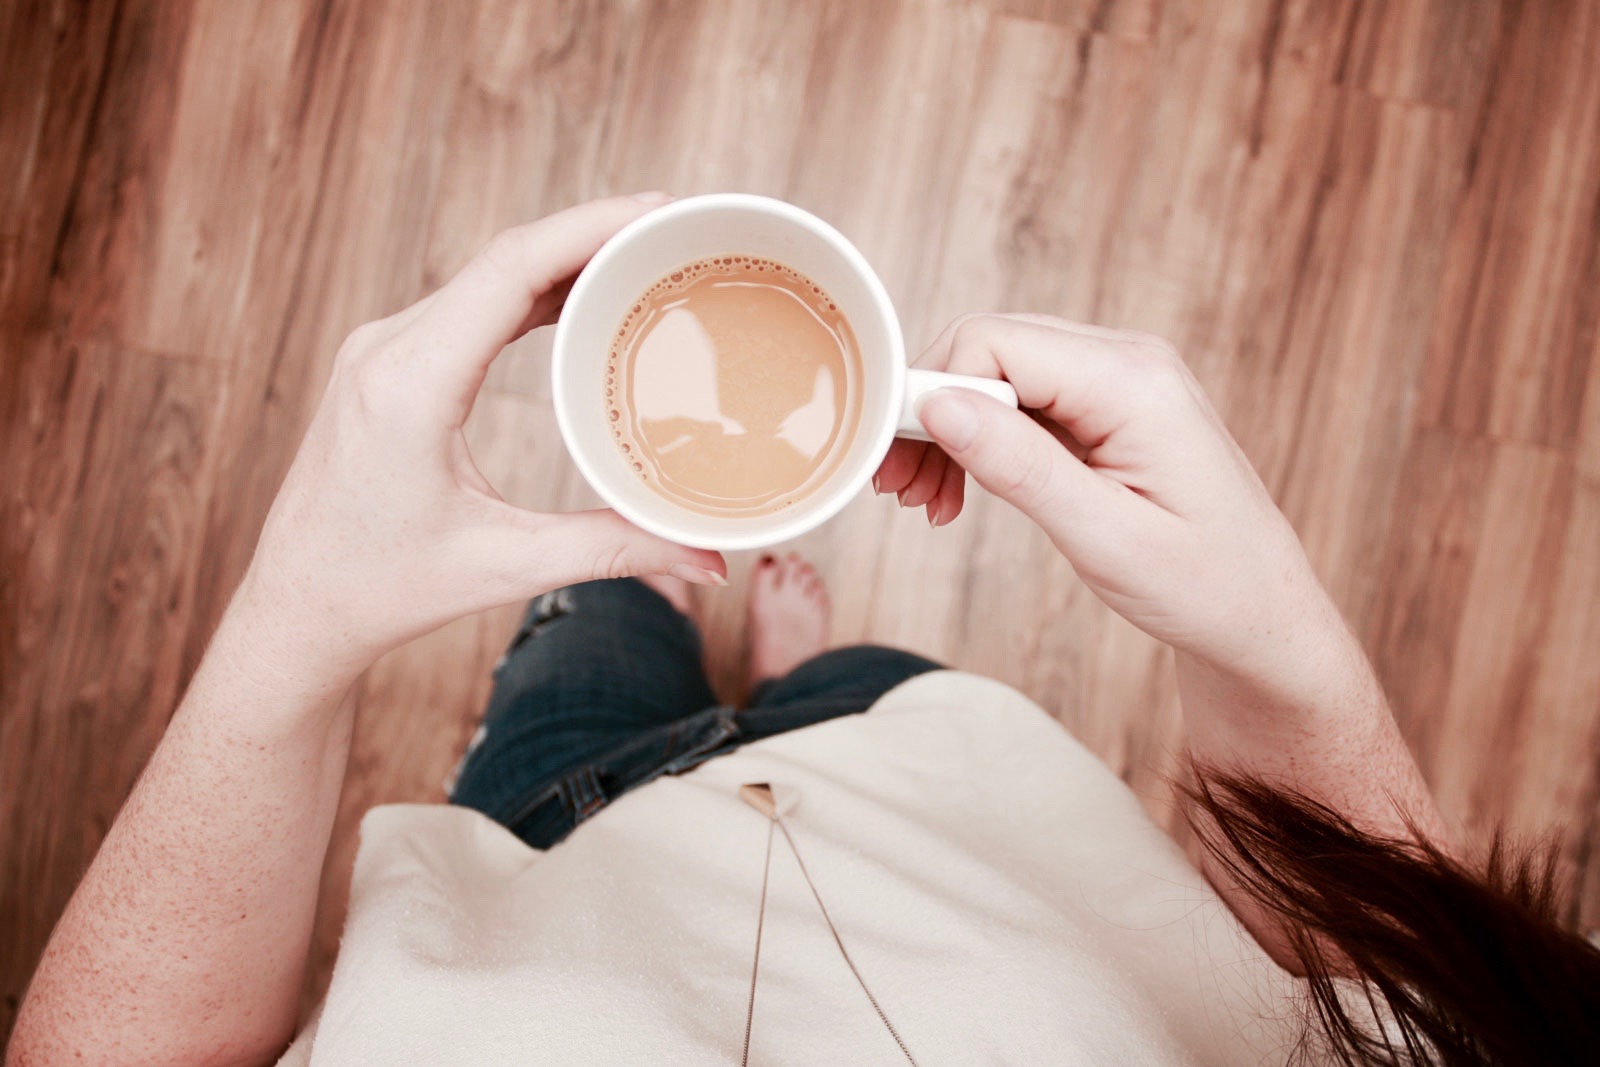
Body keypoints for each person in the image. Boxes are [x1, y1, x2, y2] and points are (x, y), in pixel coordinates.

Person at [8, 196, 1597, 1067]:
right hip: (930, 765)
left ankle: (632, 589)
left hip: (559, 829)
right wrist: (1282, 653)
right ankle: (781, 669)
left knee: (592, 632)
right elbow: (1396, 1000)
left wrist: (292, 630)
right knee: (851, 677)